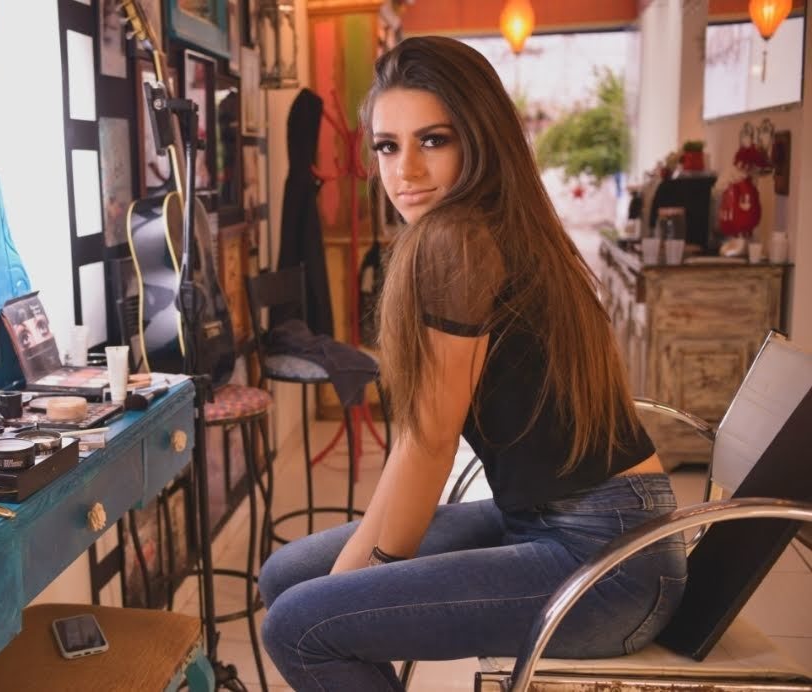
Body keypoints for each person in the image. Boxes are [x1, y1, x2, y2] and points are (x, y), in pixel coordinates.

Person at [258, 36, 687, 691]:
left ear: (480, 139)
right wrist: (354, 574)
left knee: (299, 626)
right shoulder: (495, 226)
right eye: (387, 146)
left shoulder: (456, 243)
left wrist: (362, 579)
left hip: (608, 563)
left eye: (433, 140)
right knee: (286, 577)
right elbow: (417, 439)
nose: (405, 170)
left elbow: (430, 448)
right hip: (576, 522)